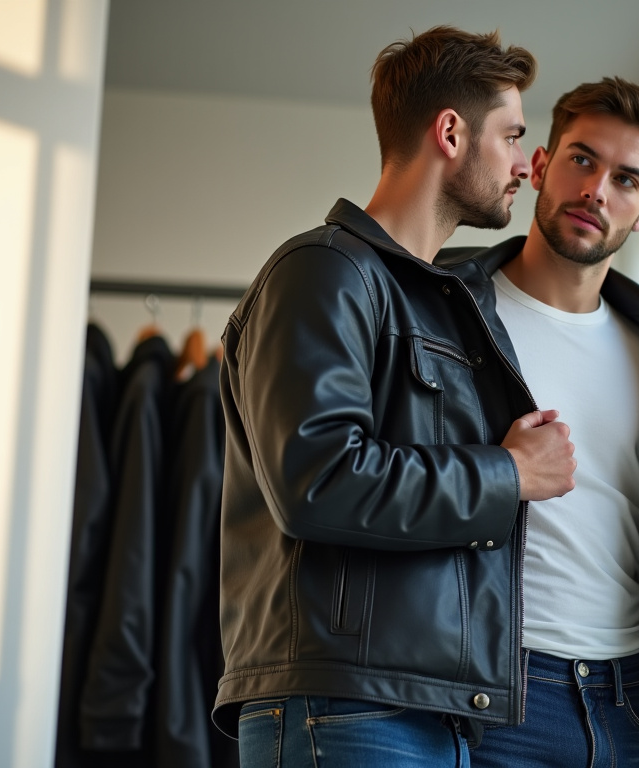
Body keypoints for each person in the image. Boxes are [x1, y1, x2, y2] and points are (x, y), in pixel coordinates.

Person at [213, 27, 580, 768]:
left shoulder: (439, 303)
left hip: (419, 709)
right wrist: (509, 474)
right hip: (343, 707)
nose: (524, 165)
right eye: (512, 136)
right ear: (450, 132)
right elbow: (318, 478)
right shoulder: (323, 271)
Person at [437, 77, 639, 768]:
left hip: (631, 707)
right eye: (582, 160)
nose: (596, 190)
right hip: (492, 693)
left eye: (624, 178)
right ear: (539, 165)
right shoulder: (444, 313)